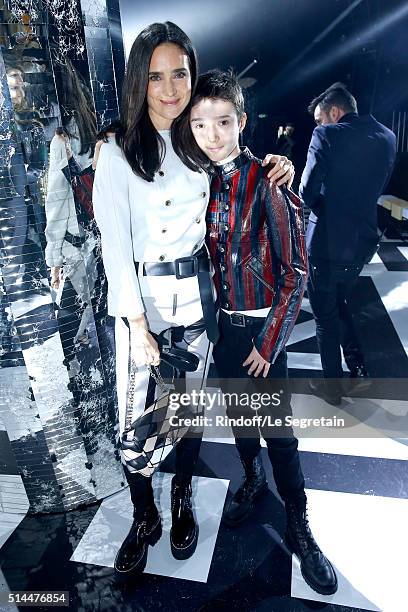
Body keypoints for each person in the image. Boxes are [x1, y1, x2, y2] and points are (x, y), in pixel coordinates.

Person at [92, 22, 294, 580]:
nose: (170, 87)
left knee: (186, 415)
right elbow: (114, 247)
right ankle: (143, 514)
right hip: (143, 309)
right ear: (139, 80)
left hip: (199, 304)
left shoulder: (195, 144)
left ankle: (180, 498)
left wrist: (279, 166)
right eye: (155, 76)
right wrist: (138, 327)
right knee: (135, 422)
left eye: (179, 72)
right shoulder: (115, 151)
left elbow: (235, 157)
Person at [183, 69, 338, 596]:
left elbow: (296, 272)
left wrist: (269, 344)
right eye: (201, 124)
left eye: (223, 122)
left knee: (280, 435)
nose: (212, 134)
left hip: (261, 335)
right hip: (222, 331)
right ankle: (251, 478)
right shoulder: (191, 179)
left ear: (241, 121)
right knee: (238, 419)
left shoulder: (267, 179)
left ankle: (299, 524)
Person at [299, 83, 396, 404]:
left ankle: (333, 390)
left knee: (325, 316)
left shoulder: (326, 136)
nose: (318, 125)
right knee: (340, 304)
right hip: (363, 242)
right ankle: (358, 369)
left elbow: (307, 193)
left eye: (319, 119)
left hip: (326, 244)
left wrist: (323, 206)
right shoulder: (387, 137)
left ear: (335, 112)